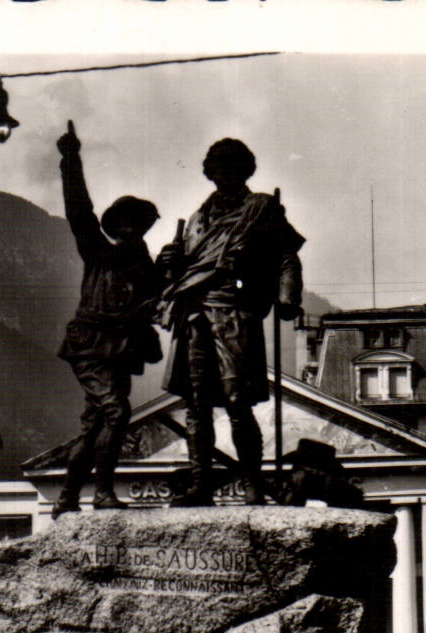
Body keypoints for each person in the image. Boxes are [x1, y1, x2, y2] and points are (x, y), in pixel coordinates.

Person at [159, 137, 304, 507]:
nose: (225, 173)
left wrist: (288, 296)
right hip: (194, 315)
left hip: (236, 311)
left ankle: (253, 484)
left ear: (246, 170)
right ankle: (200, 484)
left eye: (233, 166)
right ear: (210, 172)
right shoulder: (195, 220)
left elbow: (287, 257)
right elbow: (184, 270)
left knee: (237, 401)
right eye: (218, 167)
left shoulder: (261, 209)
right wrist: (172, 261)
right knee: (195, 404)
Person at [52, 121, 164, 517]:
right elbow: (79, 210)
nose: (132, 230)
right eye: (125, 224)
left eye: (140, 224)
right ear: (114, 228)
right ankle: (101, 493)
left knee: (95, 423)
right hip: (90, 344)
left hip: (120, 351)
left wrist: (169, 269)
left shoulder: (148, 268)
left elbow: (157, 303)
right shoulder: (99, 252)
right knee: (116, 413)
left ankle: (66, 498)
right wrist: (70, 160)